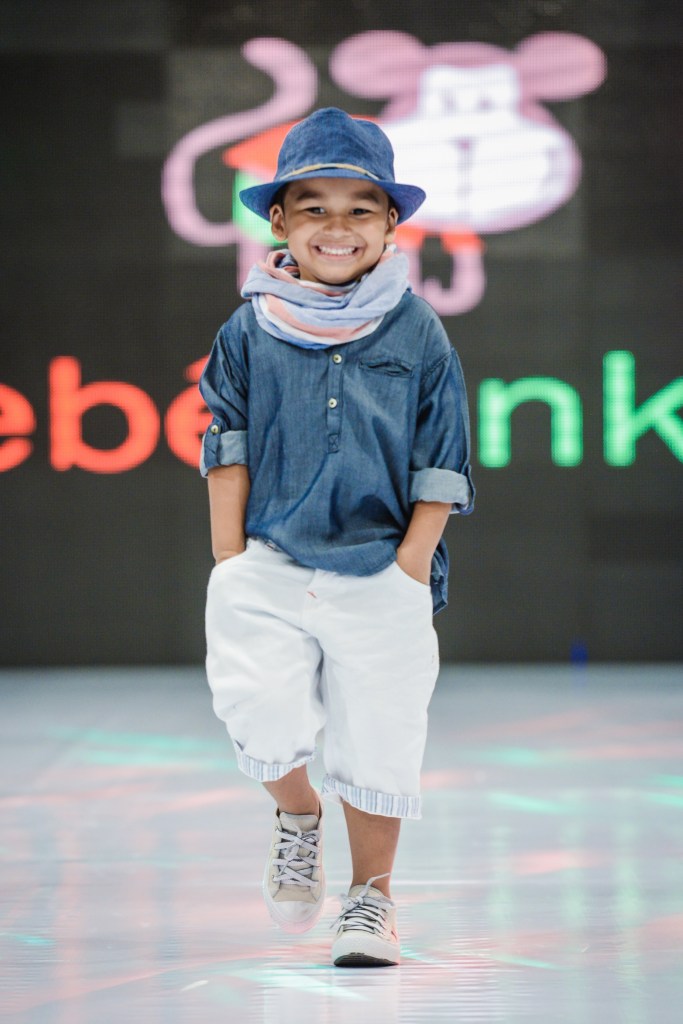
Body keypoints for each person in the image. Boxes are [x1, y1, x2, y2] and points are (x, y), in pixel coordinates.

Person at [199, 107, 474, 967]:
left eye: (359, 208)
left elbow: (442, 456)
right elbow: (227, 444)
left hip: (381, 565)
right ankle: (297, 815)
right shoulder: (247, 328)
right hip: (269, 559)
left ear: (390, 223)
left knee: (380, 738)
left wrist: (409, 564)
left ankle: (371, 901)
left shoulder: (417, 327)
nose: (337, 226)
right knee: (255, 709)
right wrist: (231, 561)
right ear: (279, 221)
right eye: (313, 207)